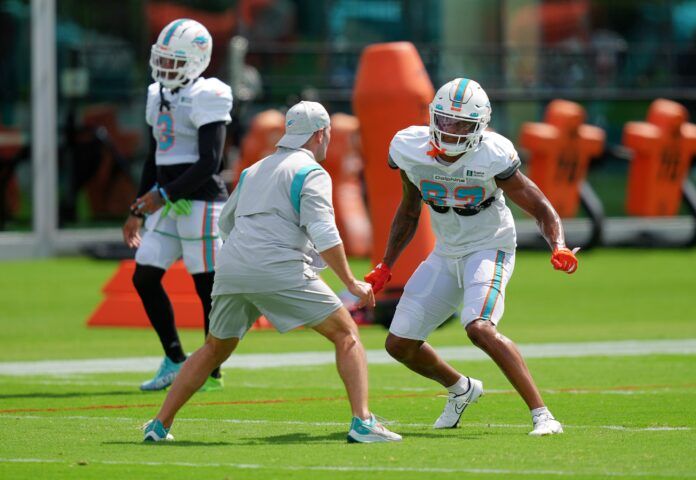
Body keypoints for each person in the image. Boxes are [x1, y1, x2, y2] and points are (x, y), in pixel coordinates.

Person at [142, 101, 402, 444]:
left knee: (213, 348)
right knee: (347, 334)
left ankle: (159, 425)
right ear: (321, 134)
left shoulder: (253, 169)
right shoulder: (312, 172)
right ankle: (363, 421)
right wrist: (350, 282)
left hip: (233, 265)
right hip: (275, 266)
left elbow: (226, 223)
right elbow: (325, 233)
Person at [365, 78, 579, 436]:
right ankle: (461, 388)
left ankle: (543, 415)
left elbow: (539, 205)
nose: (451, 131)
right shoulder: (408, 147)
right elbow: (408, 209)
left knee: (479, 327)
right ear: (433, 117)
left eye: (462, 124)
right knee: (399, 344)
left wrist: (557, 244)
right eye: (446, 121)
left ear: (479, 127)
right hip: (446, 250)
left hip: (489, 245)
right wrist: (387, 264)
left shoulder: (492, 154)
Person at [123, 19, 233, 392]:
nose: (166, 68)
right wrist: (138, 207)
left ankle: (211, 370)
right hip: (168, 201)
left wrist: (162, 196)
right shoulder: (157, 94)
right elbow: (155, 156)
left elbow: (210, 162)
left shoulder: (209, 94)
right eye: (163, 59)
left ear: (198, 59)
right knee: (144, 275)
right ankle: (174, 359)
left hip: (201, 201)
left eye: (175, 61)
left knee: (206, 286)